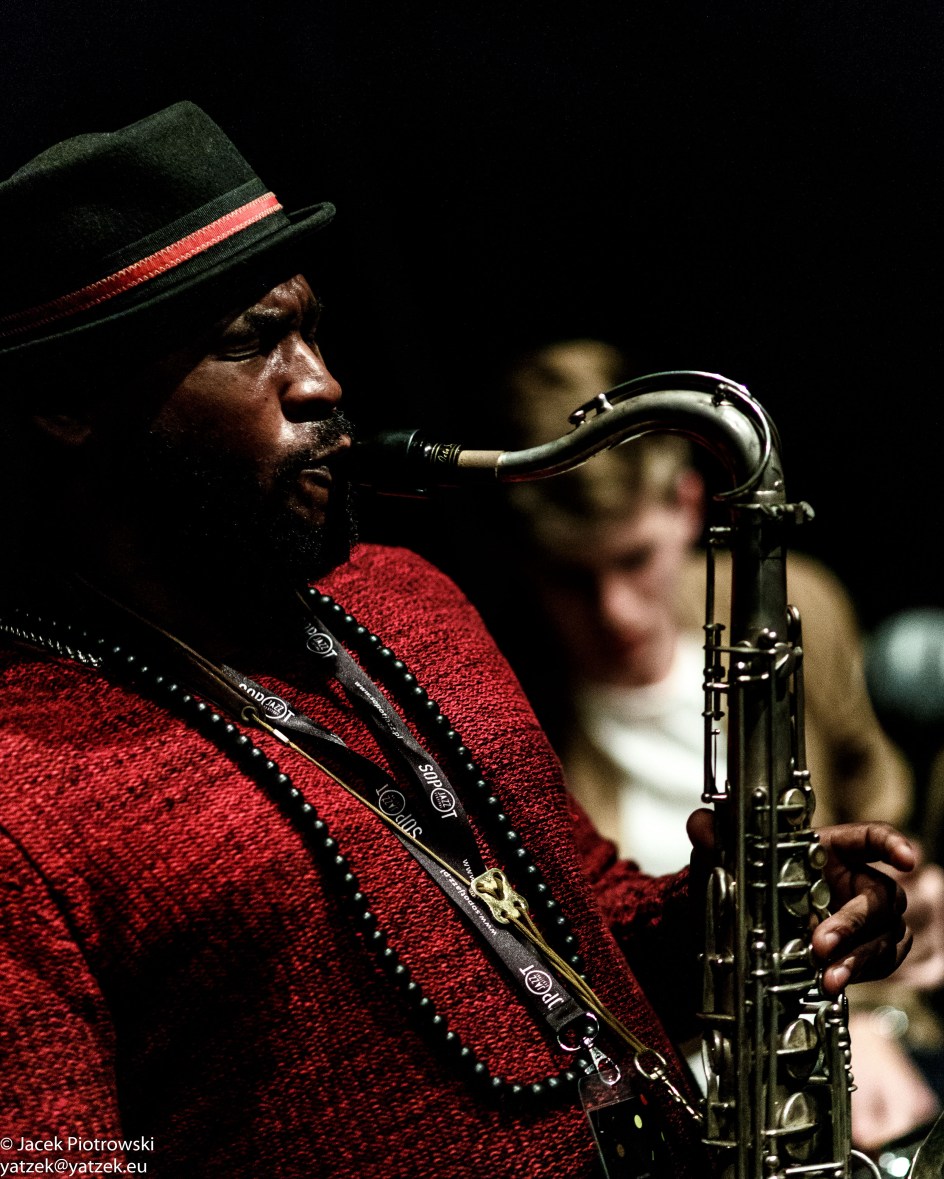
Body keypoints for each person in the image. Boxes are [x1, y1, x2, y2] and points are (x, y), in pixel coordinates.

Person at [0, 103, 914, 1178]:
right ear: (67, 403)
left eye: (311, 331)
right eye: (249, 342)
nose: (321, 383)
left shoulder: (408, 596)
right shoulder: (22, 793)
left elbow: (579, 925)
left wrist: (744, 914)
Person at [493, 338, 939, 1151]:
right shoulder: (509, 713)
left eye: (634, 558)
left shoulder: (796, 605)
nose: (616, 611)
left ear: (688, 504)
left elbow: (883, 811)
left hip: (859, 1036)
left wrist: (879, 984)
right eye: (572, 578)